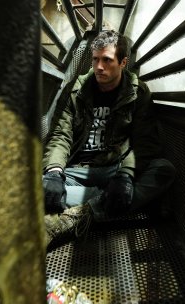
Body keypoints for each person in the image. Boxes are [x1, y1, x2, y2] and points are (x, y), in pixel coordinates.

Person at [41, 30, 176, 250]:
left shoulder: (137, 92)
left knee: (164, 169)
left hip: (116, 168)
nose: (99, 67)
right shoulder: (75, 89)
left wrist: (125, 175)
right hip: (79, 170)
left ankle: (78, 215)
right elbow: (60, 135)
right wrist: (54, 173)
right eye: (95, 59)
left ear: (123, 62)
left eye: (107, 60)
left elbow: (145, 143)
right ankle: (107, 203)